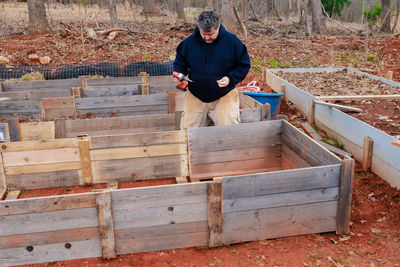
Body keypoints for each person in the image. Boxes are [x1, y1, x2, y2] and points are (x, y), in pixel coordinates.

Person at [173, 10, 250, 129]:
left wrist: (230, 78)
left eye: (210, 34)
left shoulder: (232, 42)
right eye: (204, 34)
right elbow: (179, 63)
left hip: (224, 93)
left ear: (218, 27)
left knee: (229, 128)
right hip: (196, 93)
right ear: (199, 27)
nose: (207, 37)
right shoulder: (188, 43)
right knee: (188, 131)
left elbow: (243, 64)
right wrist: (179, 75)